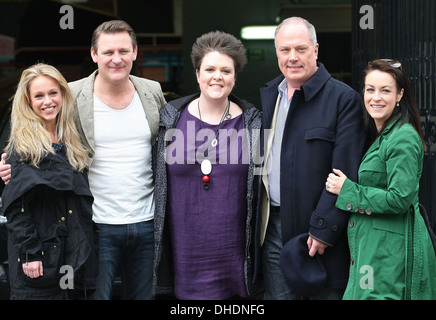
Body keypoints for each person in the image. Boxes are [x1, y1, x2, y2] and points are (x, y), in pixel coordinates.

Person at [0, 20, 166, 300]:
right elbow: (32, 133)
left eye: (124, 51)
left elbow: (165, 147)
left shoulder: (152, 91)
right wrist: (12, 168)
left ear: (135, 52)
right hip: (95, 225)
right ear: (93, 54)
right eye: (108, 52)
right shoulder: (70, 94)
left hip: (146, 222)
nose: (117, 59)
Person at [257, 16, 366, 300]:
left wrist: (322, 230)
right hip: (272, 231)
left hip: (318, 233)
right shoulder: (270, 96)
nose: (292, 57)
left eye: (301, 49)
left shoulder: (343, 99)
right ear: (277, 52)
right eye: (285, 50)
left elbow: (346, 173)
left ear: (316, 50)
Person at [153, 31, 263, 299]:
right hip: (184, 252)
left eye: (226, 70)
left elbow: (264, 191)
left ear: (235, 76)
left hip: (234, 253)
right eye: (210, 68)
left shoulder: (254, 124)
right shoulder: (170, 119)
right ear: (197, 74)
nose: (218, 76)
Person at [326, 59, 436, 299]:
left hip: (389, 251)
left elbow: (400, 198)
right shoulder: (379, 134)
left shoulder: (403, 137)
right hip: (374, 247)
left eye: (385, 90)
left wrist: (348, 190)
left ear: (400, 95)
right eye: (370, 89)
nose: (376, 97)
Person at [1, 63, 97, 299]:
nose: (48, 101)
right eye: (39, 96)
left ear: (63, 94)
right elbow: (16, 207)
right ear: (28, 101)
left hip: (71, 257)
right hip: (39, 260)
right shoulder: (22, 147)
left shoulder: (70, 141)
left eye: (53, 93)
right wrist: (30, 254)